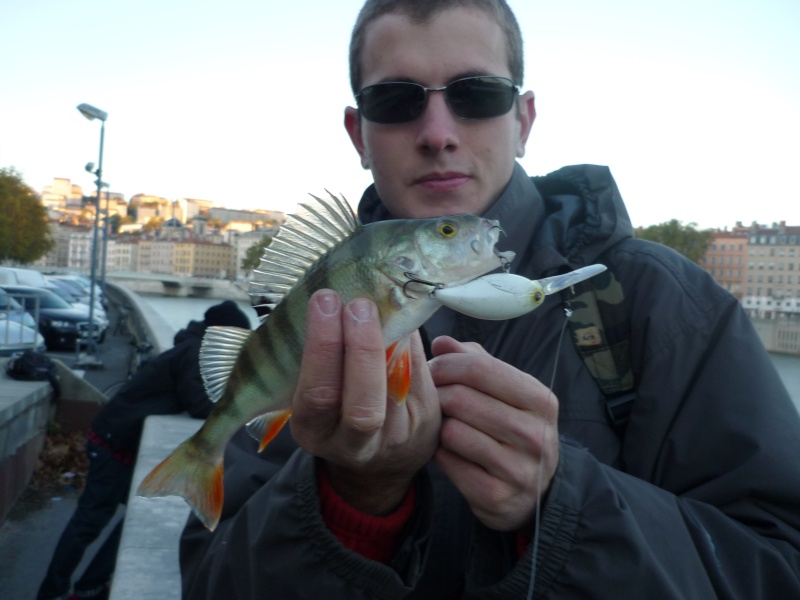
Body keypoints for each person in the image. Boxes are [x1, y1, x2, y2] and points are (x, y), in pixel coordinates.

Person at [180, 1, 800, 598]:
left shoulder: (668, 305)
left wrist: (562, 502)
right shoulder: (309, 301)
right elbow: (210, 580)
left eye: (476, 95)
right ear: (358, 133)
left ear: (523, 120)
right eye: (395, 101)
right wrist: (354, 500)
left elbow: (778, 565)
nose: (437, 133)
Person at [38, 300, 251, 600]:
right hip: (113, 442)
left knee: (132, 518)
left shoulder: (192, 345)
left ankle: (88, 585)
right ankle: (52, 591)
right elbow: (200, 404)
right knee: (89, 522)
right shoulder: (196, 352)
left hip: (119, 440)